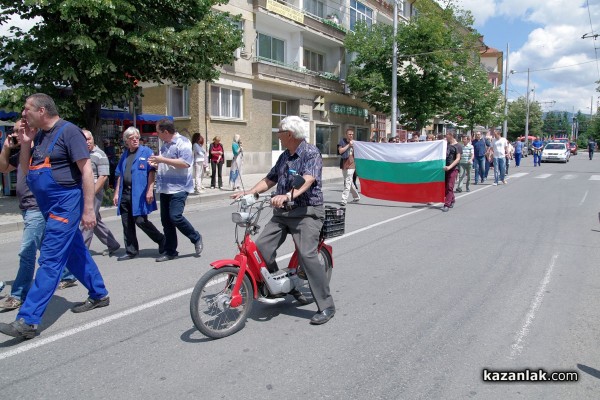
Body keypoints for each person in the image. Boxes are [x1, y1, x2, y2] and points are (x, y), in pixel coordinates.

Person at [0, 93, 109, 340]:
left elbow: (87, 171)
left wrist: (89, 209)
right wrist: (26, 143)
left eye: (26, 109)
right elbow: (25, 172)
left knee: (49, 259)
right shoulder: (37, 137)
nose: (23, 114)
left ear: (41, 111)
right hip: (48, 206)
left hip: (65, 205)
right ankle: (100, 294)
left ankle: (27, 321)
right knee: (75, 253)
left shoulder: (69, 132)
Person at [232, 116, 335, 325]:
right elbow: (270, 179)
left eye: (279, 131)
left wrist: (289, 195)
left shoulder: (310, 153)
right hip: (282, 213)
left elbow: (308, 179)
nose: (277, 134)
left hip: (307, 212)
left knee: (307, 254)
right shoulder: (284, 156)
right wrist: (250, 193)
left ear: (289, 134)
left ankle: (326, 305)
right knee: (261, 248)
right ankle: (279, 286)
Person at [149, 119, 203, 262]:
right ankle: (170, 251)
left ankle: (196, 237)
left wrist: (162, 160)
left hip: (179, 188)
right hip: (165, 188)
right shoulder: (165, 145)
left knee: (175, 217)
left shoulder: (183, 142)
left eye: (158, 132)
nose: (157, 135)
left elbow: (185, 163)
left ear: (166, 132)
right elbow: (166, 164)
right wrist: (156, 163)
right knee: (166, 221)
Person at [113, 127, 165, 261]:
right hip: (125, 193)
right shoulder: (124, 154)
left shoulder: (146, 151)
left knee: (140, 220)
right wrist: (116, 193)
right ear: (126, 141)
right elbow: (119, 174)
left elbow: (151, 171)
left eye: (137, 137)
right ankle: (131, 250)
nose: (135, 140)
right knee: (126, 223)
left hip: (139, 193)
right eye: (132, 138)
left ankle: (161, 239)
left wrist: (150, 190)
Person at [81, 130, 120, 256]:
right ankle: (113, 244)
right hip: (82, 191)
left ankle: (82, 250)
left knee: (87, 219)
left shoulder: (100, 154)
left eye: (88, 139)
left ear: (93, 139)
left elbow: (103, 177)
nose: (87, 142)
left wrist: (90, 194)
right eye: (84, 139)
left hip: (94, 192)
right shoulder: (80, 154)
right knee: (95, 220)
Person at [337, 129, 360, 206]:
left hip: (352, 164)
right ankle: (356, 196)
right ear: (346, 134)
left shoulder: (355, 143)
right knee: (349, 182)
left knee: (347, 182)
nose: (351, 136)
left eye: (352, 134)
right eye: (349, 134)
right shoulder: (342, 142)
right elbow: (340, 151)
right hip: (344, 164)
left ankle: (344, 200)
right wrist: (348, 145)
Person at [442, 132, 461, 212]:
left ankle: (447, 204)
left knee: (450, 186)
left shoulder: (458, 146)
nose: (446, 135)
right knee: (446, 186)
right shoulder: (446, 145)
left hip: (453, 168)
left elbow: (458, 158)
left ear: (451, 136)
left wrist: (450, 166)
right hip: (445, 168)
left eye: (447, 134)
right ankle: (452, 199)